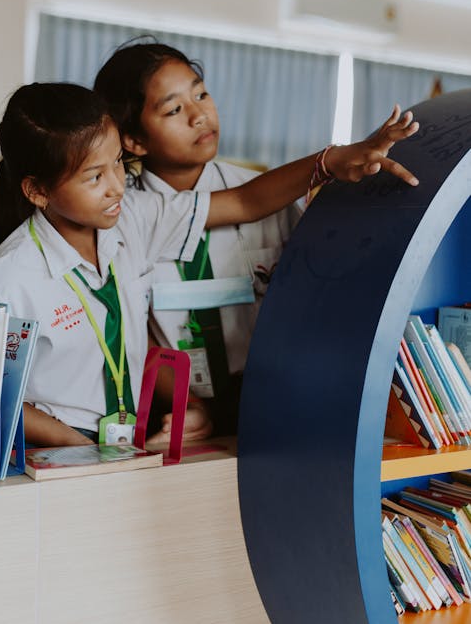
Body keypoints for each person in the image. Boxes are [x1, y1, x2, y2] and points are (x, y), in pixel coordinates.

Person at [0, 81, 418, 449]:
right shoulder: (5, 280)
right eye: (93, 177)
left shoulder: (133, 220)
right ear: (36, 191)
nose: (115, 188)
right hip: (55, 457)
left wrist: (329, 161)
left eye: (117, 167)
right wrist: (78, 444)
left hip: (123, 445)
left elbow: (244, 201)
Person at [94, 38, 419, 443]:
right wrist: (189, 406)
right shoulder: (122, 217)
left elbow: (317, 288)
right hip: (178, 413)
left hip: (273, 402)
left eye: (202, 94)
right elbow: (128, 337)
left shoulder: (267, 195)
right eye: (174, 109)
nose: (199, 115)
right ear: (134, 141)